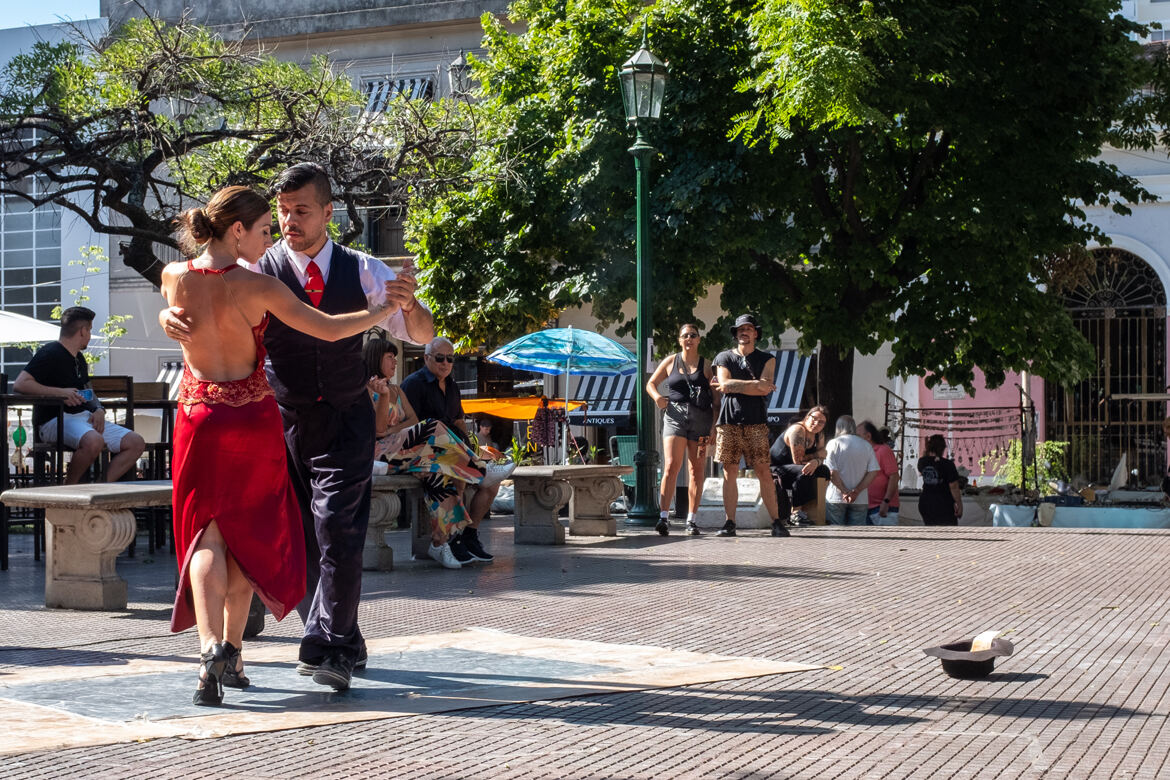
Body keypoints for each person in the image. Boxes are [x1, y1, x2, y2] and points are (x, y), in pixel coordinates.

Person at [162, 163, 434, 692]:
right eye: (280, 213)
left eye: (300, 212)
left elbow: (421, 332)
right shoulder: (256, 267)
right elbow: (198, 289)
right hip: (275, 421)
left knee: (336, 528)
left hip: (341, 415)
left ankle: (325, 645)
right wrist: (165, 319)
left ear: (329, 212)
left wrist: (406, 303)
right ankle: (332, 638)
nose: (287, 222)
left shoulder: (363, 268)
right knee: (285, 538)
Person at [364, 338, 498, 569]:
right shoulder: (364, 389)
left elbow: (411, 420)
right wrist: (391, 427)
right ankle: (481, 471)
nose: (395, 362)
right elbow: (376, 430)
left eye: (396, 357)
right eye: (390, 357)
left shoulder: (395, 389)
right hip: (378, 454)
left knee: (438, 475)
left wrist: (392, 430)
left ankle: (440, 543)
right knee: (433, 426)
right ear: (375, 358)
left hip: (406, 451)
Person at [401, 337, 507, 564]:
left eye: (450, 358)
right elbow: (410, 428)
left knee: (492, 484)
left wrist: (470, 449)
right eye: (440, 358)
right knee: (459, 479)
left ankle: (468, 536)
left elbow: (459, 422)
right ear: (427, 358)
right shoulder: (413, 384)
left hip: (454, 451)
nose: (446, 363)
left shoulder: (452, 385)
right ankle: (450, 540)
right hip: (426, 452)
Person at [14, 307, 146, 485]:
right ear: (83, 331)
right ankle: (70, 491)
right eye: (90, 330)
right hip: (53, 420)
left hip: (83, 418)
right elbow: (20, 383)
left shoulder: (79, 359)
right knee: (94, 441)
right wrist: (60, 393)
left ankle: (99, 490)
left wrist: (99, 409)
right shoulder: (50, 352)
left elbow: (88, 390)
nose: (90, 335)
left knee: (135, 442)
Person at [711, 314, 788, 538]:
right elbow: (724, 385)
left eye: (749, 328)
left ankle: (776, 521)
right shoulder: (723, 357)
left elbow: (763, 389)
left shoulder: (767, 359)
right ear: (735, 333)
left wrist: (743, 385)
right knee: (729, 472)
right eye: (740, 329)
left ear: (756, 333)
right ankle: (729, 523)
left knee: (764, 471)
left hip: (756, 421)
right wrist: (755, 384)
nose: (744, 332)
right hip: (729, 421)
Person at [645, 323, 719, 536]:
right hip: (675, 417)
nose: (689, 339)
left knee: (696, 469)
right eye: (685, 335)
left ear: (699, 339)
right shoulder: (670, 361)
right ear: (679, 340)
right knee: (671, 466)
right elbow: (651, 383)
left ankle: (691, 520)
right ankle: (663, 517)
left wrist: (714, 426)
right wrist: (658, 397)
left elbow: (716, 400)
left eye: (693, 335)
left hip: (701, 419)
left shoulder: (707, 366)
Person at [771, 406, 831, 526]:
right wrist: (817, 456)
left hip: (798, 467)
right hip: (777, 467)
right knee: (803, 471)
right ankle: (796, 512)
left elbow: (822, 458)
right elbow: (798, 460)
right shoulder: (797, 430)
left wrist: (817, 462)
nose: (816, 424)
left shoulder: (819, 435)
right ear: (807, 417)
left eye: (821, 422)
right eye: (814, 419)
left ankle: (816, 511)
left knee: (824, 470)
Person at [822, 415, 880, 526]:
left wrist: (844, 491)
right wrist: (856, 491)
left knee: (835, 534)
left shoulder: (833, 443)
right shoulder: (866, 445)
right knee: (857, 536)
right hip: (860, 498)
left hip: (836, 497)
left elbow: (831, 471)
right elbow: (873, 471)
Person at [859, 421, 900, 525]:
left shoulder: (883, 450)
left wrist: (886, 501)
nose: (856, 440)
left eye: (858, 436)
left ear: (868, 436)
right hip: (867, 507)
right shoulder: (865, 453)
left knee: (886, 541)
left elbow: (894, 477)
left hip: (884, 508)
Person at [917, 434, 963, 526]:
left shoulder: (922, 462)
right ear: (942, 448)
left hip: (926, 502)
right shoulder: (948, 464)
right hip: (943, 503)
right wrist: (959, 504)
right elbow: (953, 487)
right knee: (948, 534)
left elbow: (927, 464)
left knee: (931, 532)